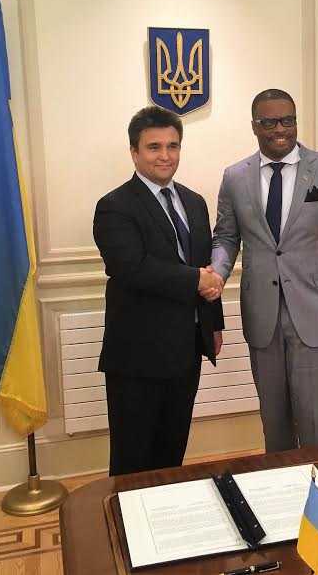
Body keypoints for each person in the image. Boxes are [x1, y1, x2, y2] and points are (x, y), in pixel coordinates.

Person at [211, 89, 318, 452]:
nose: (280, 129)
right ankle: (278, 483)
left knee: (315, 420)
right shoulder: (235, 177)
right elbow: (226, 237)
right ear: (254, 126)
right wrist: (216, 273)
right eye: (270, 122)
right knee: (274, 421)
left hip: (317, 314)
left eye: (288, 120)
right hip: (261, 314)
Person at [94, 106, 224, 475]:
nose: (165, 155)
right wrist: (195, 280)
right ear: (134, 152)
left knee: (172, 452)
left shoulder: (194, 202)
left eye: (173, 146)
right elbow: (130, 268)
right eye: (154, 147)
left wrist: (213, 325)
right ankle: (127, 515)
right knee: (133, 459)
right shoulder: (114, 206)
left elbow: (204, 266)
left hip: (186, 350)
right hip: (138, 356)